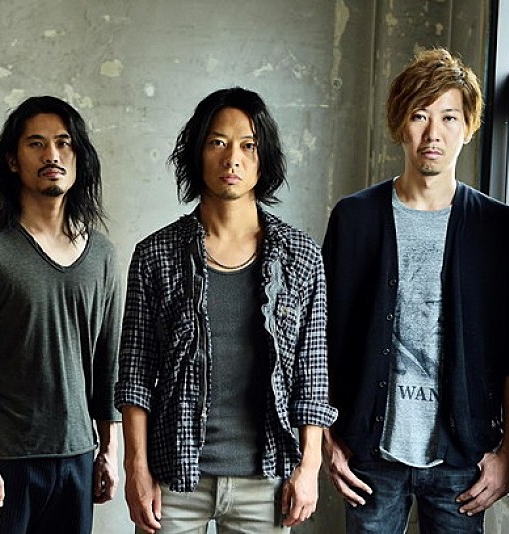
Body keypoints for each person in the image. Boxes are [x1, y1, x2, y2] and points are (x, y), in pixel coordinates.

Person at [322, 48, 509, 533]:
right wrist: (325, 440)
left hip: (463, 458)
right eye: (420, 115)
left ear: (469, 127)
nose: (433, 133)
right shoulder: (355, 218)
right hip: (370, 453)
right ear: (401, 123)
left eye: (449, 117)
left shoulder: (501, 229)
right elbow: (323, 338)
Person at [115, 87, 338, 534]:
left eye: (248, 145)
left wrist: (309, 466)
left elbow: (312, 375)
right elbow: (136, 375)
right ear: (197, 153)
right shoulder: (156, 254)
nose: (232, 158)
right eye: (217, 142)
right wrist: (135, 468)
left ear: (263, 158)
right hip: (175, 475)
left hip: (266, 479)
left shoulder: (301, 255)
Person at [0, 95, 123, 534]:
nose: (52, 155)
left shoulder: (102, 255)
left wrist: (109, 448)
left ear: (79, 158)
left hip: (77, 458)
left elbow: (108, 362)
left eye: (64, 143)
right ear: (12, 160)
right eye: (36, 144)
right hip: (4, 460)